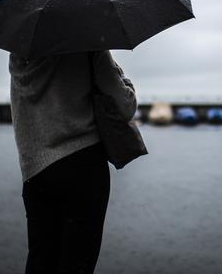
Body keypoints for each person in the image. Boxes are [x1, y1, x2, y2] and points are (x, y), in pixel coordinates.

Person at [9, 50, 136, 274]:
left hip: (35, 171)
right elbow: (125, 104)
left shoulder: (19, 50)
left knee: (41, 260)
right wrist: (121, 75)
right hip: (83, 165)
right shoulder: (89, 43)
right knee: (78, 262)